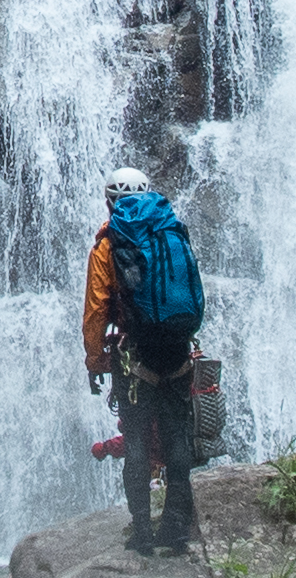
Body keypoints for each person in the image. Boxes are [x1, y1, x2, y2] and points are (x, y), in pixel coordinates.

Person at [81, 164, 206, 555]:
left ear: (109, 201)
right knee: (176, 437)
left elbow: (97, 309)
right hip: (177, 349)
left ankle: (142, 533)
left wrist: (95, 359)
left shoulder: (108, 244)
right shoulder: (172, 230)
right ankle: (176, 530)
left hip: (134, 354)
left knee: (135, 439)